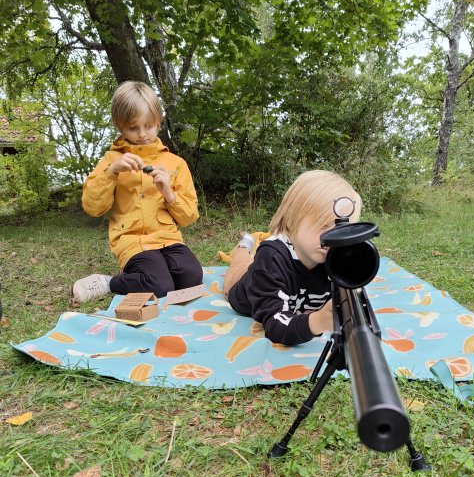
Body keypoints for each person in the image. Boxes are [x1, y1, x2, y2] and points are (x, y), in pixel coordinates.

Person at [72, 81, 202, 303]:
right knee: (158, 286)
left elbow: (189, 217)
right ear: (119, 125)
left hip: (168, 238)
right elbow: (93, 208)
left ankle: (155, 277)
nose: (142, 134)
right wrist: (112, 172)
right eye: (133, 128)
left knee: (192, 278)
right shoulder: (111, 161)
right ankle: (108, 282)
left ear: (159, 121)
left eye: (149, 125)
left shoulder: (175, 163)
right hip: (132, 241)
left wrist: (169, 193)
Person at [224, 170, 362, 346]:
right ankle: (244, 244)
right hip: (243, 287)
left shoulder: (332, 256)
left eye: (340, 230)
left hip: (270, 269)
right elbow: (274, 325)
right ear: (291, 219)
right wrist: (318, 321)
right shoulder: (271, 258)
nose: (331, 238)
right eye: (323, 225)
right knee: (241, 262)